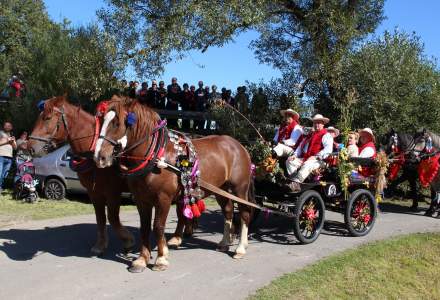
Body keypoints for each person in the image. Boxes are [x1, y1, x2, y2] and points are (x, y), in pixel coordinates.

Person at [285, 114, 333, 192]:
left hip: (320, 161)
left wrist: (316, 156)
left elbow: (328, 150)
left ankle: (297, 183)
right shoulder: (311, 135)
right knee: (289, 161)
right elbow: (301, 146)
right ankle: (294, 181)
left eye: (319, 122)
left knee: (308, 164)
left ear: (323, 124)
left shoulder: (326, 135)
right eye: (315, 122)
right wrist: (295, 155)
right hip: (307, 158)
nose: (316, 124)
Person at [0, 122, 17, 193]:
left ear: (11, 127)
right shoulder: (0, 133)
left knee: (5, 174)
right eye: (6, 125)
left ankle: (0, 186)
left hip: (9, 157)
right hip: (1, 155)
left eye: (9, 125)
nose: (8, 126)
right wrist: (7, 141)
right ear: (4, 126)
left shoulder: (12, 135)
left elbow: (15, 148)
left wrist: (13, 142)